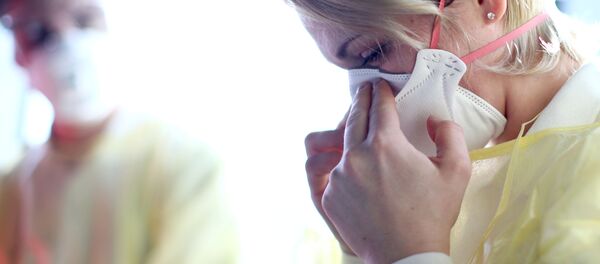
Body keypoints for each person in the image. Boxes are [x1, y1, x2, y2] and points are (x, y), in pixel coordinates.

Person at [292, 0, 600, 263]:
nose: (362, 94)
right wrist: (363, 244)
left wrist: (409, 251)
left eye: (374, 51)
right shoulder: (440, 185)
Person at [0, 0, 237, 263]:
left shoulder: (186, 166)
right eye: (38, 32)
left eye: (83, 19)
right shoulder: (11, 190)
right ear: (18, 55)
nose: (68, 44)